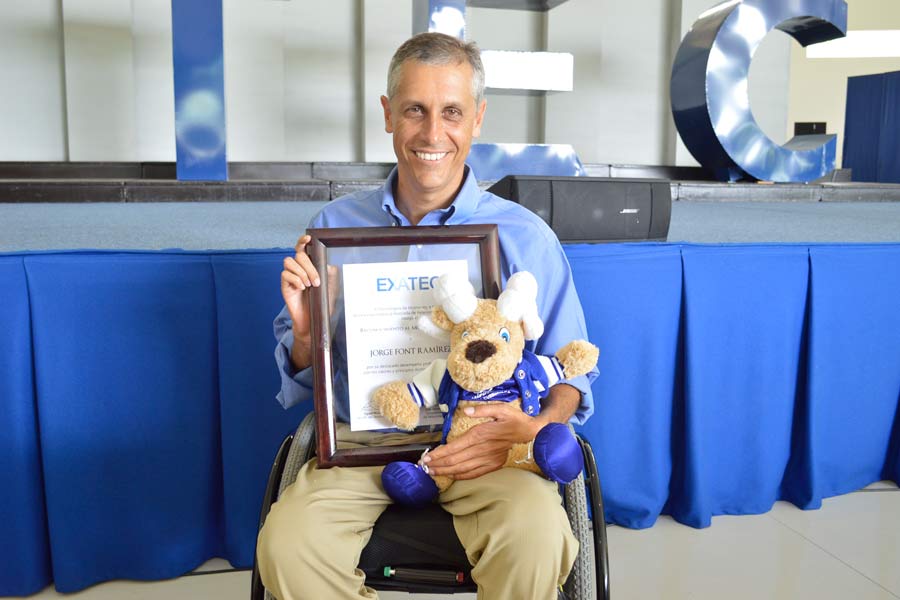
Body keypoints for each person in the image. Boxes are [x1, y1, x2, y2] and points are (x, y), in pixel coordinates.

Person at [257, 32, 598, 600]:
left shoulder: (524, 236)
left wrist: (534, 426)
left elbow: (574, 374)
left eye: (452, 112)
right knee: (286, 546)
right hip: (365, 449)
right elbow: (304, 375)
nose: (432, 133)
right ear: (389, 115)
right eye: (415, 109)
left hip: (487, 449)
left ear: (478, 119)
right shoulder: (334, 228)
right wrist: (308, 333)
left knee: (538, 535)